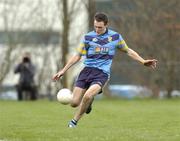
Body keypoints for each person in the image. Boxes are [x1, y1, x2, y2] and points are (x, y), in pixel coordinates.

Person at [52, 12, 157, 128]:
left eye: (100, 27)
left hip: (102, 73)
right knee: (74, 103)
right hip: (86, 71)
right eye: (95, 26)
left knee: (87, 96)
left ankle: (74, 121)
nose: (97, 29)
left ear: (106, 25)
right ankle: (89, 102)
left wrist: (143, 61)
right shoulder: (88, 37)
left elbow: (128, 51)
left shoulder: (115, 37)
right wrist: (63, 70)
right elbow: (77, 56)